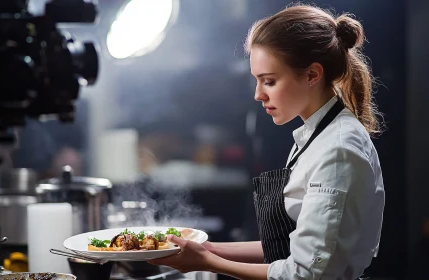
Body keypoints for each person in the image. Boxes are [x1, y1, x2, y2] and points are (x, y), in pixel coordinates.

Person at [148, 4, 385, 280]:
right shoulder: (314, 136)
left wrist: (208, 262)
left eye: (269, 81)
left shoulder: (338, 150)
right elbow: (289, 248)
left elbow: (306, 274)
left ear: (312, 75)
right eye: (257, 81)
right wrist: (207, 248)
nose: (258, 95)